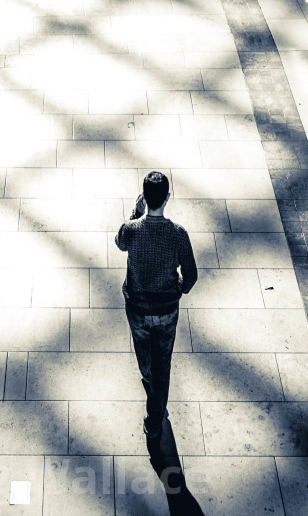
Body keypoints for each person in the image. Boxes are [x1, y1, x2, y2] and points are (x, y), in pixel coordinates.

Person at [115, 170, 198, 442]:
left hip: (138, 309)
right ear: (168, 198)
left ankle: (147, 376)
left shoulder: (132, 230)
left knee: (143, 350)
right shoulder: (178, 234)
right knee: (164, 363)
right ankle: (154, 419)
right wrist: (178, 290)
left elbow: (119, 242)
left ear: (144, 198)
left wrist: (134, 213)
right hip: (166, 310)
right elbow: (191, 275)